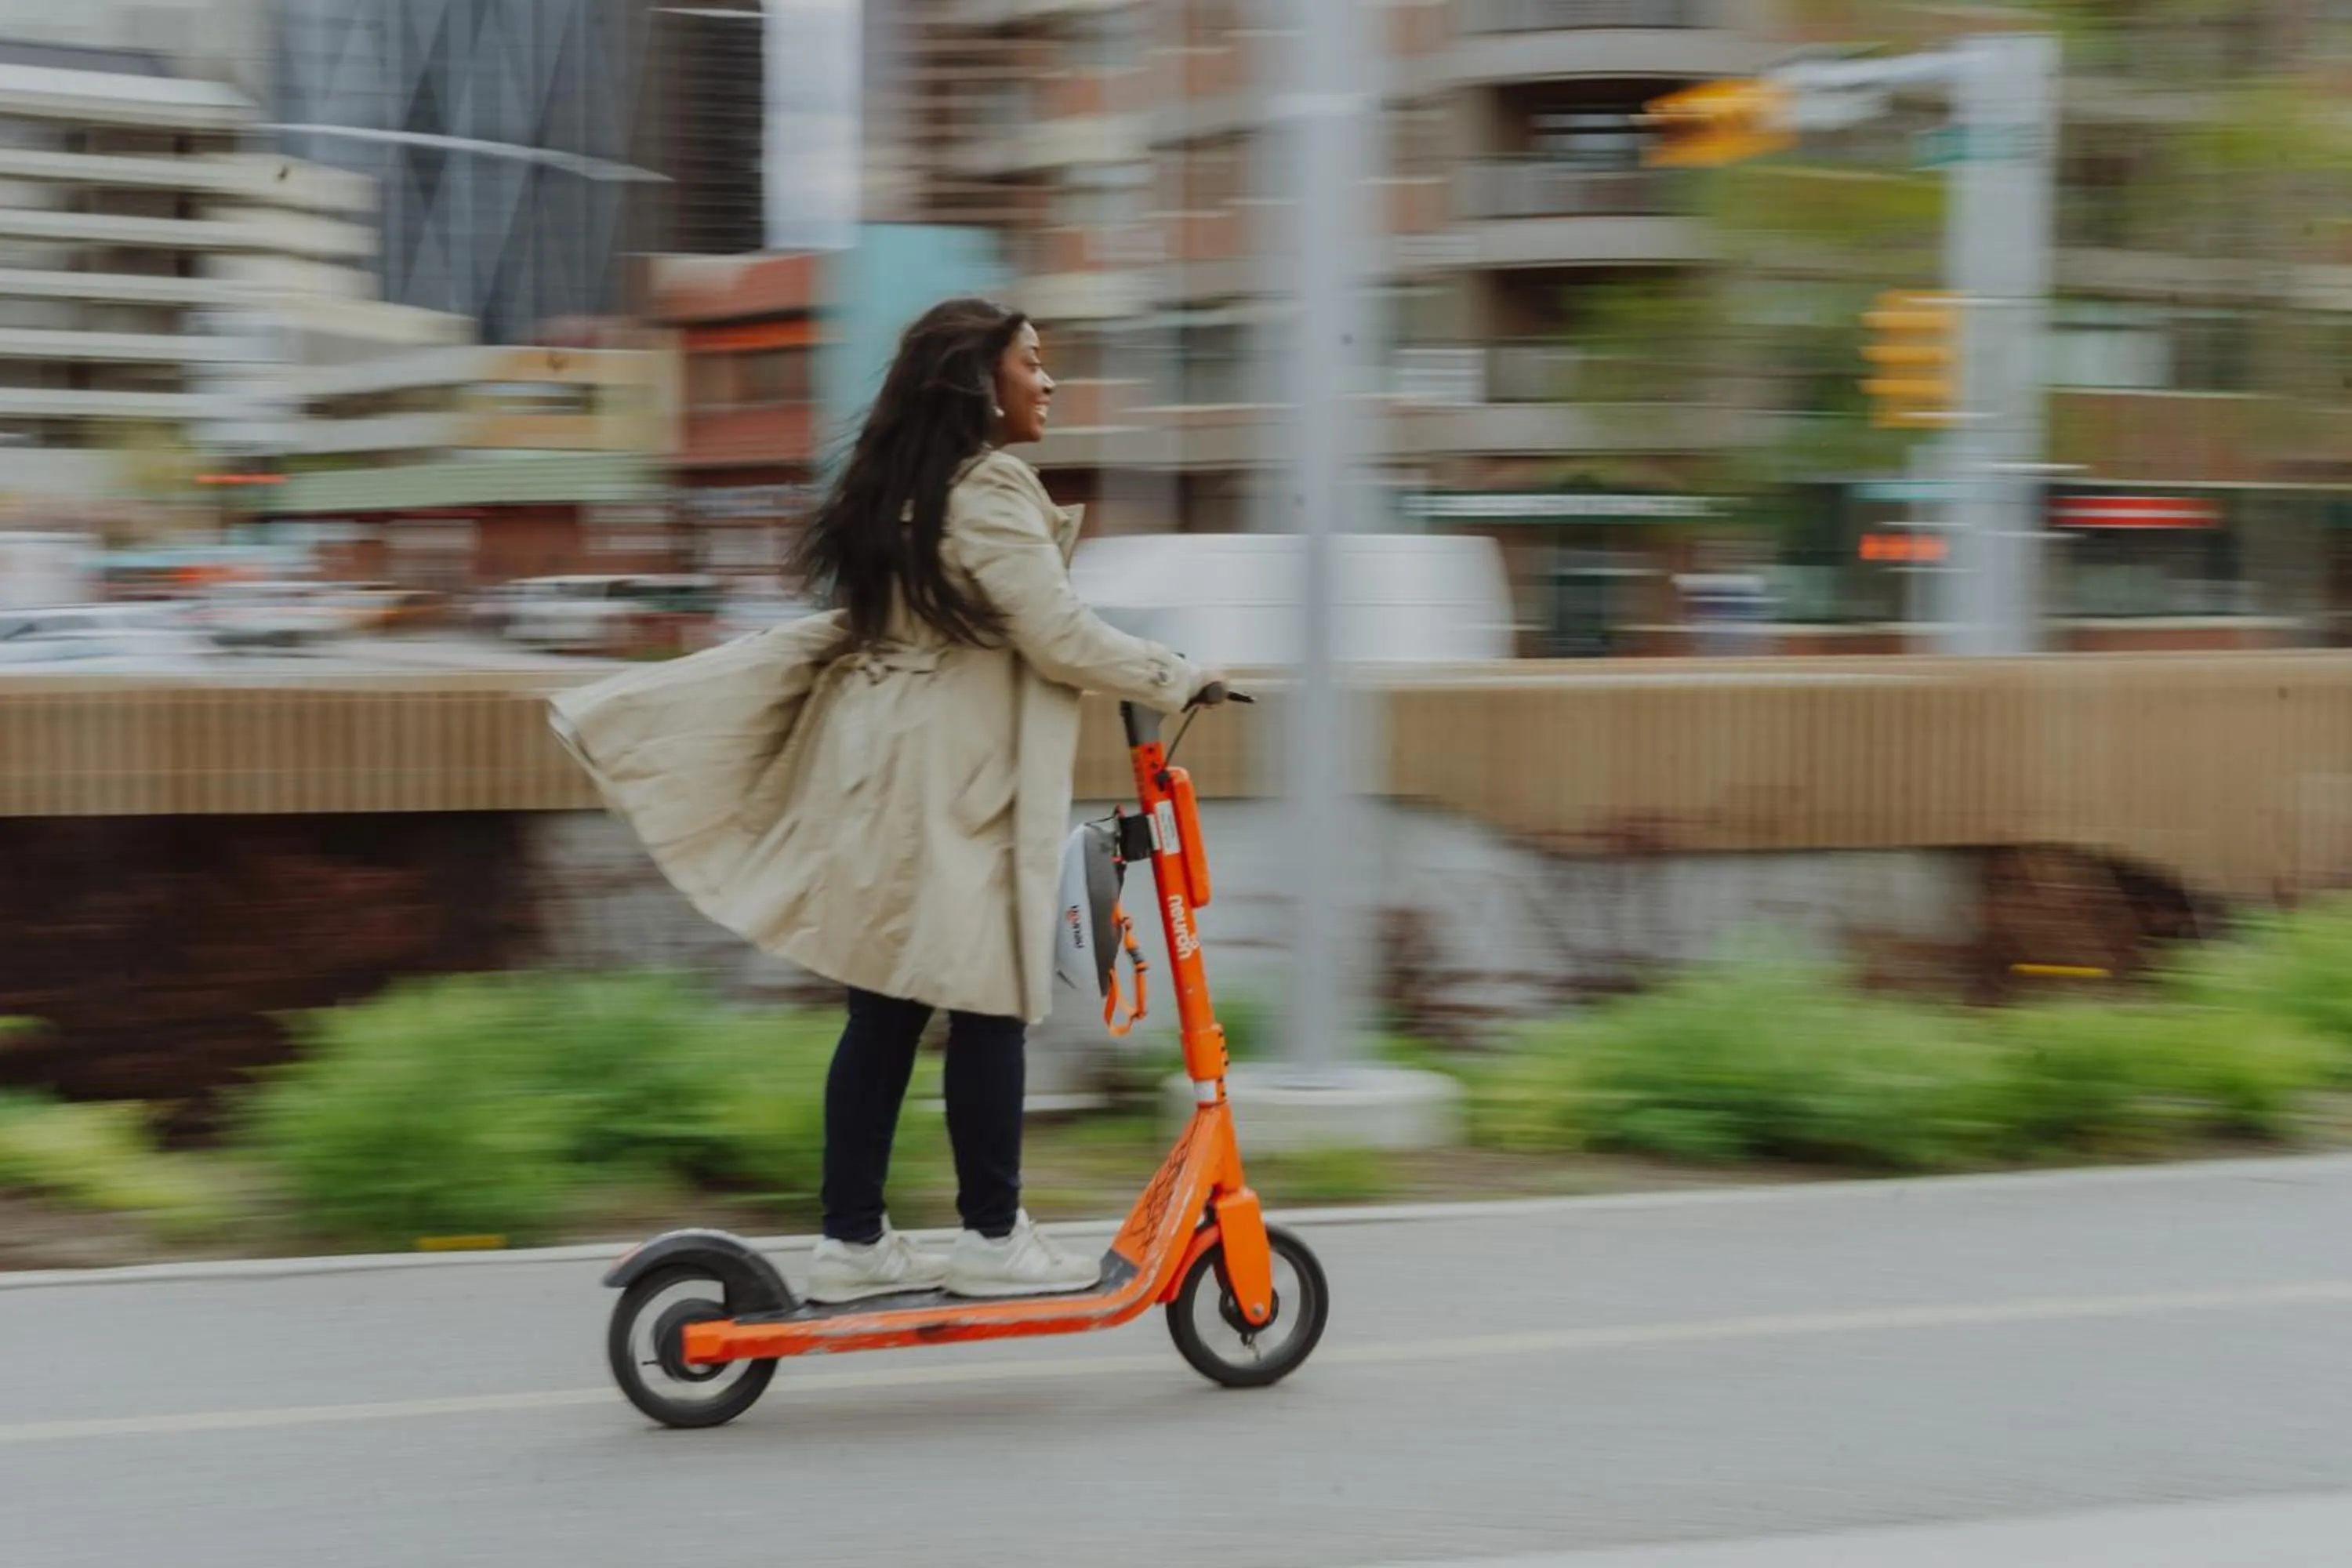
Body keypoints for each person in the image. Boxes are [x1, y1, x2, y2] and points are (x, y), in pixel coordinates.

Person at [550, 298, 1222, 1304]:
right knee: (992, 1001)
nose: (1048, 382)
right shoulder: (992, 490)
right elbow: (1059, 635)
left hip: (896, 773)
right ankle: (992, 1238)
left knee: (888, 1012)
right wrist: (1181, 673)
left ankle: (854, 1240)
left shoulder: (914, 490)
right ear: (977, 383)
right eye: (1032, 364)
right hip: (954, 785)